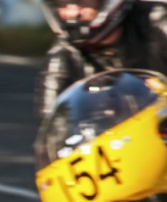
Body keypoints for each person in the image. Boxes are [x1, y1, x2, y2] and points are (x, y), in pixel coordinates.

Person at [35, 0, 167, 120]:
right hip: (119, 142)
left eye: (84, 2)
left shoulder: (158, 23)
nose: (73, 13)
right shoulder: (62, 57)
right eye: (62, 4)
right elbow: (52, 126)